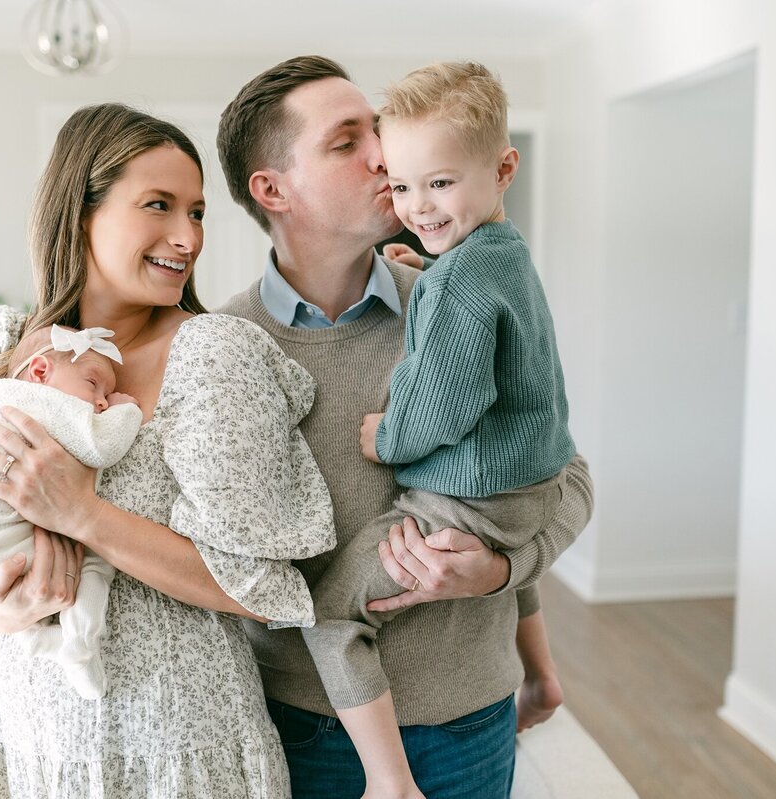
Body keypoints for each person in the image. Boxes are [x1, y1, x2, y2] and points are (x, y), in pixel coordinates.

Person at [0, 103, 338, 797]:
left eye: (197, 211)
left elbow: (259, 587)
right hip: (33, 744)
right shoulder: (1, 349)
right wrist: (0, 612)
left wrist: (82, 513)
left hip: (179, 750)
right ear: (81, 212)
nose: (188, 236)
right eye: (159, 205)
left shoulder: (211, 351)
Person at [215, 55, 594, 798]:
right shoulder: (224, 344)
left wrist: (502, 568)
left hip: (470, 719)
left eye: (377, 132)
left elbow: (561, 476)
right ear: (272, 189)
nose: (382, 156)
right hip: (302, 724)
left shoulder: (451, 299)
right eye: (346, 141)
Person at [0, 323, 142, 699]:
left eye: (106, 394)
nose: (102, 400)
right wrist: (125, 410)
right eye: (93, 384)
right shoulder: (36, 400)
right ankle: (80, 645)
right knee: (96, 558)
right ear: (40, 372)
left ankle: (36, 640)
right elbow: (102, 446)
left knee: (43, 562)